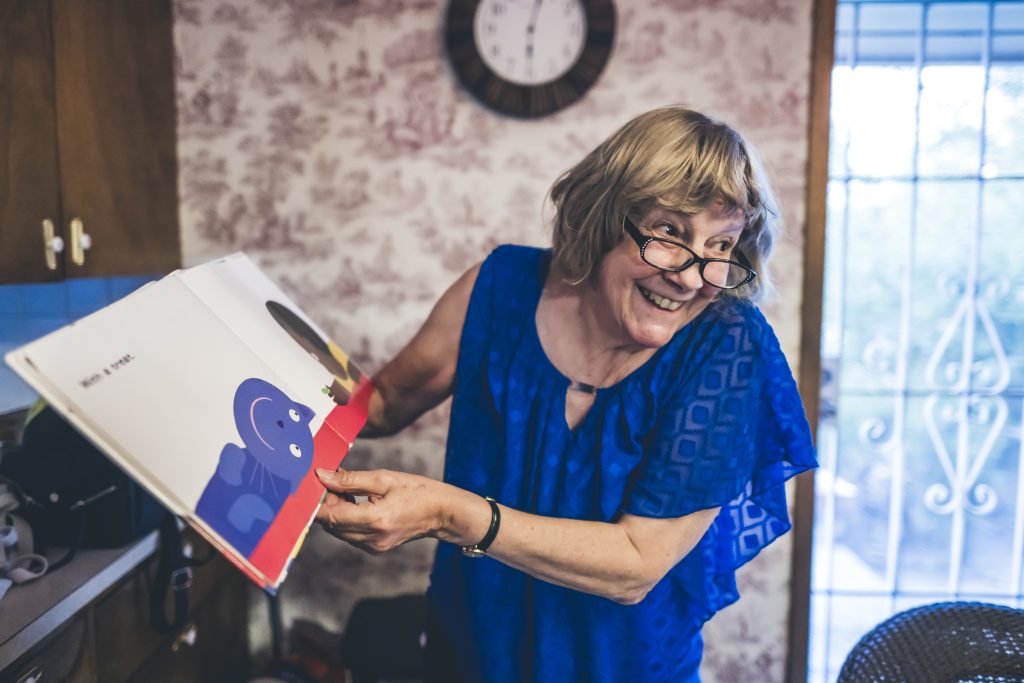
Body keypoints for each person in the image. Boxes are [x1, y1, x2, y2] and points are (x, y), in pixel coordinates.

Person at [314, 106, 817, 682]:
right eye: (669, 233)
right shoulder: (499, 287)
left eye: (721, 245)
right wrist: (260, 364)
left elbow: (636, 563)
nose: (690, 275)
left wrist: (451, 514)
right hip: (468, 657)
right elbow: (376, 407)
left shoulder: (727, 345)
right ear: (604, 217)